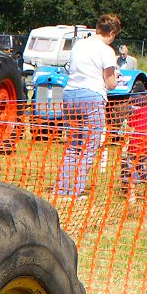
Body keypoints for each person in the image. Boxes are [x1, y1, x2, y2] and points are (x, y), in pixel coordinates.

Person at [55, 13, 121, 198]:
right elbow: (110, 83)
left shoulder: (80, 44)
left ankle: (61, 188)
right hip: (92, 96)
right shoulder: (106, 50)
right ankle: (77, 190)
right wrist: (116, 77)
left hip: (70, 95)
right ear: (112, 32)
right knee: (90, 146)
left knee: (73, 145)